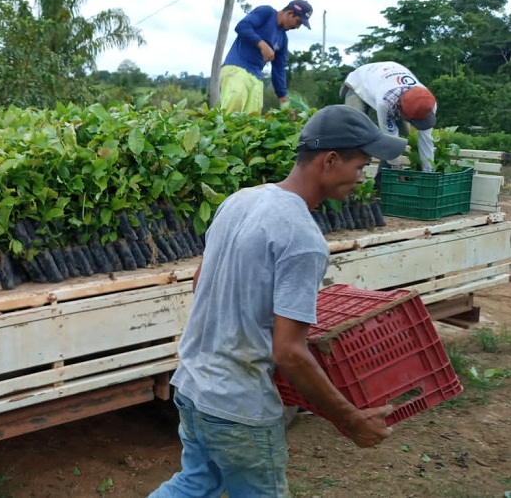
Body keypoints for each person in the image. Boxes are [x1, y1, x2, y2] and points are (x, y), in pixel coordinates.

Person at [148, 105, 401, 498]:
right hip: (238, 408)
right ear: (330, 160)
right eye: (360, 166)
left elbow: (201, 283)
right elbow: (289, 352)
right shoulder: (303, 239)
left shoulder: (241, 201)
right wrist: (350, 420)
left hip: (193, 387)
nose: (360, 178)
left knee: (197, 483)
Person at [341, 61, 437, 173]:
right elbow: (389, 141)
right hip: (360, 81)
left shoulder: (428, 102)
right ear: (402, 112)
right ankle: (349, 177)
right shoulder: (385, 103)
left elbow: (426, 140)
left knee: (403, 135)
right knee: (354, 132)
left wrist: (429, 172)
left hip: (386, 77)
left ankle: (381, 183)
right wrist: (398, 170)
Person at [219, 0, 312, 115]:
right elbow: (242, 26)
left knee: (252, 119)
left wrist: (284, 103)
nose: (297, 27)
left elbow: (279, 70)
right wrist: (262, 44)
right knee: (232, 112)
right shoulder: (267, 13)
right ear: (289, 13)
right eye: (298, 22)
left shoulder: (283, 39)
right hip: (237, 68)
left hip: (256, 77)